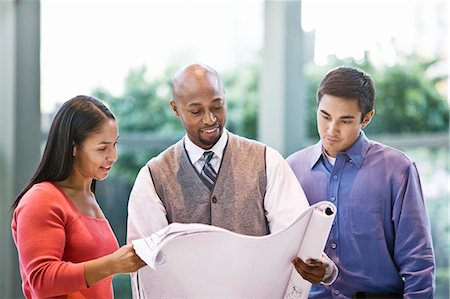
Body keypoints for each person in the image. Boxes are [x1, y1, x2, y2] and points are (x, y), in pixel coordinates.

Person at [126, 63, 337, 297]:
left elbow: (295, 236)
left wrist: (322, 268)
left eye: (217, 106)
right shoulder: (153, 177)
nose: (209, 119)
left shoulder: (267, 161)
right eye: (196, 111)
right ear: (175, 108)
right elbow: (146, 265)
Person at [287, 66, 435, 298]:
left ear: (366, 118)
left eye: (345, 121)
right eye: (325, 116)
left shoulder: (397, 170)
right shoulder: (292, 169)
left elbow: (418, 263)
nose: (331, 130)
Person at [11, 95, 146, 298]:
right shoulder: (41, 199)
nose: (113, 156)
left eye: (114, 144)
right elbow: (41, 279)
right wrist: (112, 264)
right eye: (102, 148)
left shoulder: (88, 197)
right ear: (74, 147)